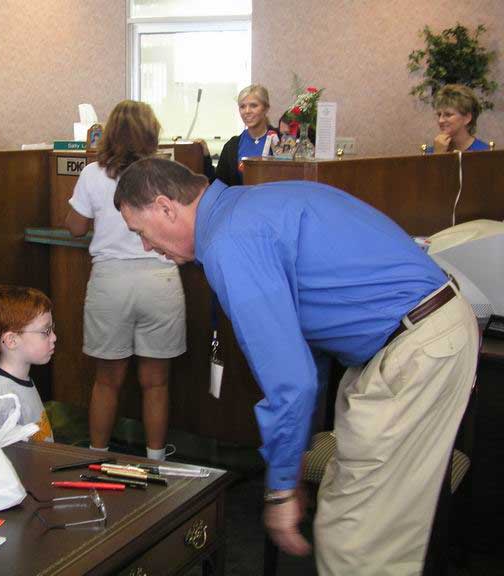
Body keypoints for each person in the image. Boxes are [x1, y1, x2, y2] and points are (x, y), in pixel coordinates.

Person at [113, 157, 478, 575]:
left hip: (416, 348)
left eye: (140, 232)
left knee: (358, 540)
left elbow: (292, 380)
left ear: (165, 207)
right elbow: (307, 352)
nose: (146, 247)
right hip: (409, 339)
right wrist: (296, 454)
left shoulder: (228, 242)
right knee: (354, 515)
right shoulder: (247, 209)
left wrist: (282, 488)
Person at [64, 100, 186, 461]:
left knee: (106, 381)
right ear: (151, 132)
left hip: (111, 282)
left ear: (111, 132)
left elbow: (74, 228)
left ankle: (97, 456)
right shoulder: (169, 172)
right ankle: (155, 461)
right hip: (160, 280)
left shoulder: (92, 174)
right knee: (156, 382)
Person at [0, 285, 55, 442]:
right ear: (12, 340)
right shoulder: (3, 404)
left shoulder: (21, 378)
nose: (54, 337)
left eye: (52, 328)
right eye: (46, 331)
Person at [214, 84, 278, 186]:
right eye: (242, 107)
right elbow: (219, 184)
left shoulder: (281, 141)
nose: (247, 111)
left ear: (266, 108)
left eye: (253, 105)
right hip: (240, 201)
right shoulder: (231, 146)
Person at [430, 84, 488, 153]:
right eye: (439, 115)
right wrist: (437, 155)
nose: (440, 120)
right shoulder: (431, 152)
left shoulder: (484, 152)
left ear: (467, 118)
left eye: (448, 115)